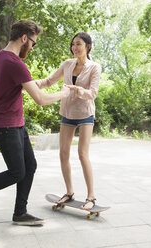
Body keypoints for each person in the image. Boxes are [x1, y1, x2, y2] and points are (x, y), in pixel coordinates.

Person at [0, 20, 70, 225]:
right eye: (33, 43)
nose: (32, 47)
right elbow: (40, 100)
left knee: (29, 166)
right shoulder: (16, 63)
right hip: (6, 126)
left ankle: (20, 213)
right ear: (24, 38)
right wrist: (62, 94)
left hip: (14, 124)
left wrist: (19, 84)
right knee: (17, 171)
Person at [34, 32, 101, 210]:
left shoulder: (94, 67)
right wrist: (30, 83)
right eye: (73, 44)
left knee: (82, 154)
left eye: (78, 44)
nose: (74, 48)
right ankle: (69, 193)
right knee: (63, 154)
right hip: (67, 113)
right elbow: (49, 81)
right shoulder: (67, 64)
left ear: (88, 46)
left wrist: (77, 90)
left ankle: (91, 196)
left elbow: (93, 93)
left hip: (85, 113)